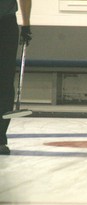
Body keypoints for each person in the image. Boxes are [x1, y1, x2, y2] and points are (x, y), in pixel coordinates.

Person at [0, 0, 32, 155]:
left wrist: (26, 24)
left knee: (4, 82)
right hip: (6, 23)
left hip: (5, 23)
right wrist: (26, 24)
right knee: (4, 82)